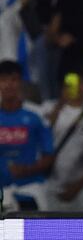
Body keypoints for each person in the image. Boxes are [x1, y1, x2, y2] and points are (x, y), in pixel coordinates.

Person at [42, 70, 83, 210]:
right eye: (70, 83)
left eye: (80, 83)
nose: (74, 86)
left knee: (81, 228)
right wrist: (60, 105)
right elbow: (43, 134)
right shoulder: (48, 107)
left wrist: (78, 186)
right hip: (51, 183)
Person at [0, 59, 54, 210]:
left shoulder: (36, 114)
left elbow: (49, 156)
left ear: (20, 83)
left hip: (31, 188)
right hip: (2, 191)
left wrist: (26, 170)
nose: (9, 85)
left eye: (14, 79)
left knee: (36, 234)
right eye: (3, 80)